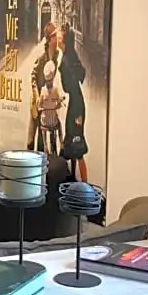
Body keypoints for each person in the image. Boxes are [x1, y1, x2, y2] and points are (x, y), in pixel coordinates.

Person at [58, 23, 89, 181]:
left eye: (59, 36)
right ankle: (72, 177)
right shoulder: (69, 55)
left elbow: (68, 86)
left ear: (64, 40)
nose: (57, 38)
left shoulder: (67, 60)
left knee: (78, 147)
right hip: (75, 103)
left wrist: (78, 116)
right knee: (71, 143)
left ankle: (85, 184)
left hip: (76, 106)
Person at [28, 22, 62, 151]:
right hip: (38, 95)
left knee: (46, 129)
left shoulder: (56, 53)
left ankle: (46, 157)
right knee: (33, 132)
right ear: (50, 38)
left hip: (47, 94)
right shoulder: (42, 55)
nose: (57, 37)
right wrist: (37, 96)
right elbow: (33, 76)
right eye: (55, 35)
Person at [37, 60, 65, 154]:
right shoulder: (55, 90)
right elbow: (58, 105)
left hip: (45, 121)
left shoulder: (42, 90)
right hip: (53, 121)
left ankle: (45, 145)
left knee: (43, 122)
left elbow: (39, 105)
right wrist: (59, 102)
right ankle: (61, 143)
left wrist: (43, 107)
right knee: (59, 125)